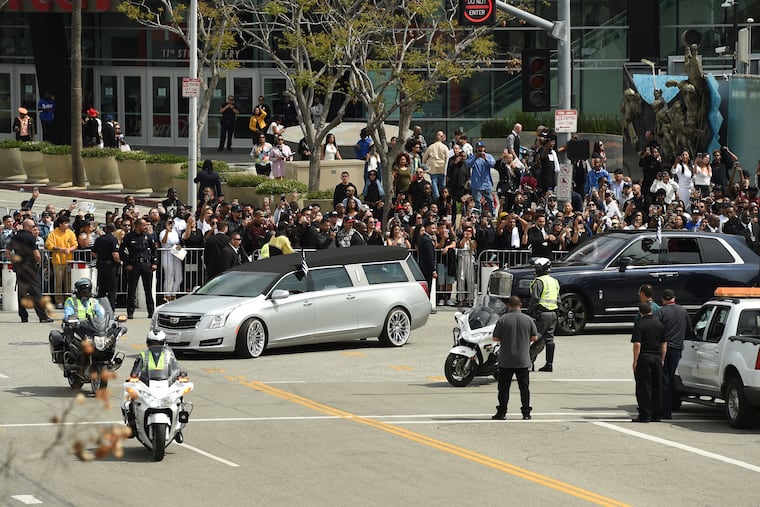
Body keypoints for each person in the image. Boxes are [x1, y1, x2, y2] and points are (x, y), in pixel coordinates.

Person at [491, 295, 538, 420]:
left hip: (506, 360)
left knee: (503, 389)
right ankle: (526, 412)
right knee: (524, 388)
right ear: (520, 305)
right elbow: (535, 337)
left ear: (508, 306)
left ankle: (502, 412)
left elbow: (495, 338)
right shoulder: (528, 320)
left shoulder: (503, 320)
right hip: (523, 360)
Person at [657, 288, 694, 419]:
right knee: (670, 377)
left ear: (663, 300)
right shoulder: (683, 311)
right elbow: (690, 330)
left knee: (664, 380)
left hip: (664, 348)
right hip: (678, 348)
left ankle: (665, 411)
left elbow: (656, 331)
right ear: (674, 298)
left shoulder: (661, 312)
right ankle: (667, 408)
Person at [9, 219, 53, 323]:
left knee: (22, 292)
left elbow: (7, 251)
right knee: (36, 292)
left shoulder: (15, 237)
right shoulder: (30, 237)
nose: (34, 228)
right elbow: (37, 254)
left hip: (19, 267)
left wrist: (13, 261)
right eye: (32, 226)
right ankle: (43, 316)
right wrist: (38, 262)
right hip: (30, 268)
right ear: (27, 226)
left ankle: (23, 316)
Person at [631, 301, 667, 423]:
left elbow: (637, 344)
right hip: (657, 357)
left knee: (644, 387)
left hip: (645, 357)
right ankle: (656, 414)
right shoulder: (660, 324)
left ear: (640, 312)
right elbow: (664, 344)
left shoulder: (640, 324)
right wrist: (662, 359)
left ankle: (645, 414)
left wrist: (635, 361)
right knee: (657, 386)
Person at [120, 218, 158, 319]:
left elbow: (154, 250)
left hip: (146, 265)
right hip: (134, 265)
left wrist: (154, 263)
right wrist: (126, 263)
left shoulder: (147, 236)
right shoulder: (129, 237)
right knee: (132, 290)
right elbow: (122, 250)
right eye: (143, 225)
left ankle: (151, 311)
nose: (145, 227)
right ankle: (130, 312)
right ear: (137, 225)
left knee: (148, 289)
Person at [528, 257, 560, 372]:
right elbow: (558, 300)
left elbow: (535, 299)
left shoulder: (539, 281)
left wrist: (529, 311)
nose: (535, 270)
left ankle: (529, 362)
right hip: (553, 313)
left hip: (542, 314)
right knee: (549, 339)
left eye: (537, 268)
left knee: (535, 338)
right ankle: (549, 364)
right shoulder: (554, 281)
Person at [45, 215, 78, 309]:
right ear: (60, 224)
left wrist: (69, 249)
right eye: (65, 223)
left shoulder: (70, 233)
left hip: (69, 261)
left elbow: (75, 244)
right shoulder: (53, 234)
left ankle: (68, 300)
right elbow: (49, 245)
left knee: (68, 283)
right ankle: (59, 300)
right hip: (58, 261)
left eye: (68, 223)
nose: (67, 225)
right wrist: (62, 249)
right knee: (58, 282)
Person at [92, 223, 121, 310]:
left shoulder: (99, 239)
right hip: (111, 266)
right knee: (112, 289)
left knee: (102, 289)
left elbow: (93, 252)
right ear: (114, 230)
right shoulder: (113, 239)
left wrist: (101, 257)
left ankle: (100, 308)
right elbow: (115, 255)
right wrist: (120, 261)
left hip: (101, 265)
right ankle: (111, 309)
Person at [466, 141, 496, 214]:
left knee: (490, 200)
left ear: (484, 148)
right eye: (478, 148)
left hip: (486, 183)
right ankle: (478, 216)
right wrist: (475, 157)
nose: (480, 150)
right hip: (476, 184)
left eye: (481, 148)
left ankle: (493, 214)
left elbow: (493, 163)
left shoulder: (488, 156)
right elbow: (468, 164)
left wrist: (485, 158)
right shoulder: (473, 156)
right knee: (477, 202)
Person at [159, 220, 182, 302]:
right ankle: (167, 295)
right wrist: (167, 232)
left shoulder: (175, 232)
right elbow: (163, 242)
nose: (170, 224)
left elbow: (178, 243)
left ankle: (173, 294)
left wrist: (180, 252)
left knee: (179, 277)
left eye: (172, 223)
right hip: (166, 254)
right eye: (169, 222)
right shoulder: (163, 232)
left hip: (175, 253)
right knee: (169, 276)